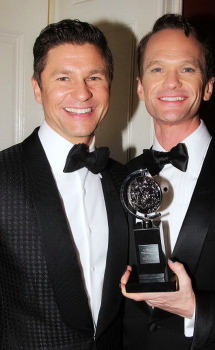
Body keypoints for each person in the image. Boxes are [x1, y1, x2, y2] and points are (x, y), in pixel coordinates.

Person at [120, 14, 215, 350]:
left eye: (187, 69)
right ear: (140, 86)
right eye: (157, 68)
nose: (172, 82)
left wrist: (197, 309)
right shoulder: (117, 176)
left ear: (208, 86)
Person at [0, 19, 127, 349]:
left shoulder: (124, 179)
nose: (82, 92)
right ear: (37, 88)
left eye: (94, 78)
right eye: (63, 78)